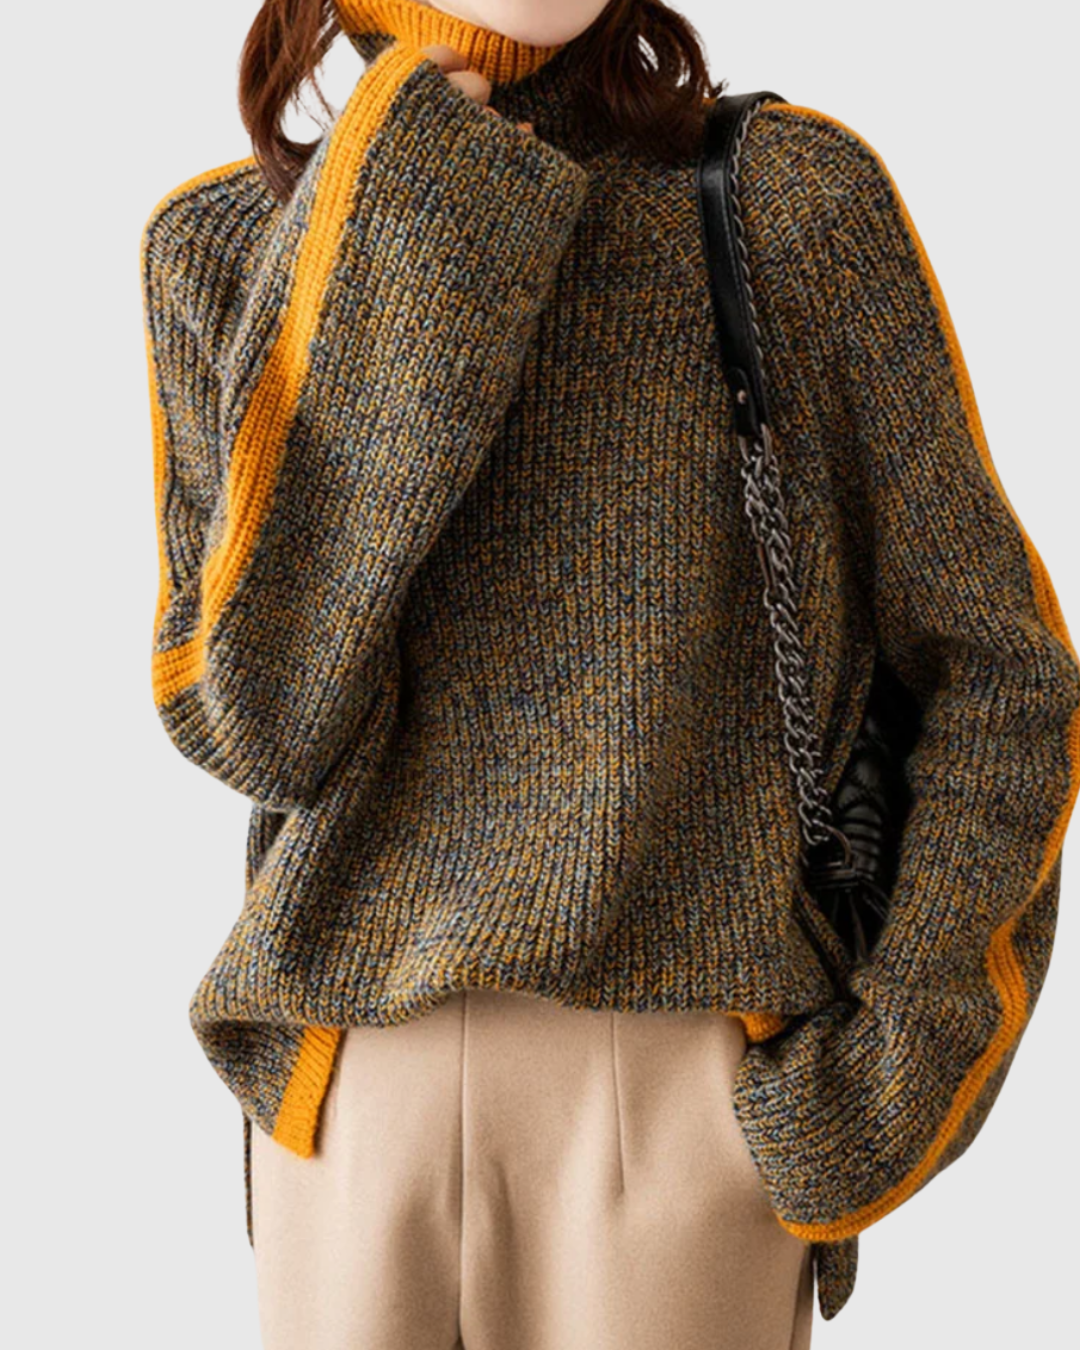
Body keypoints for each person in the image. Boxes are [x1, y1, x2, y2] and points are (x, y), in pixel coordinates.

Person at [139, 0, 1080, 1345]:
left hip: (682, 1106)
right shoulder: (223, 246)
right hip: (348, 1104)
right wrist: (406, 210)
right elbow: (259, 719)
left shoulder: (782, 206)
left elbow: (1003, 679)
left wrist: (885, 1081)